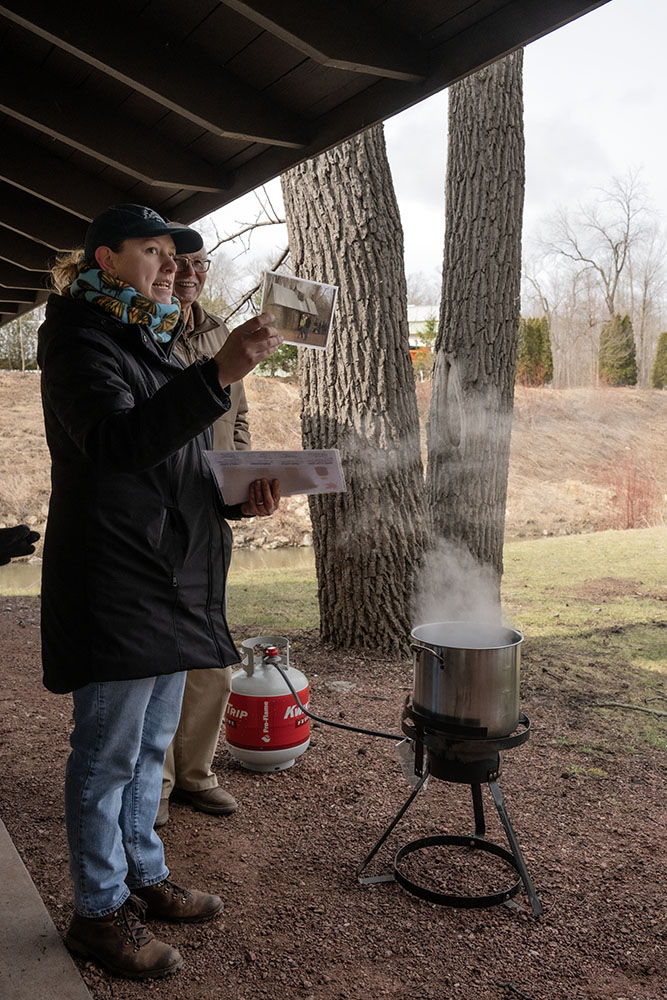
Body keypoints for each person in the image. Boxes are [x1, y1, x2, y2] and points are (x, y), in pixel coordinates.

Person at [37, 203, 282, 980]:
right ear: (106, 260)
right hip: (115, 580)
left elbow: (168, 465)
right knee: (108, 756)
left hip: (170, 580)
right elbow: (115, 446)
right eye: (154, 252)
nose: (172, 267)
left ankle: (143, 877)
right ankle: (97, 913)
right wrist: (217, 375)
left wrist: (236, 497)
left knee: (148, 749)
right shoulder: (77, 336)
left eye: (176, 258)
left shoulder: (150, 338)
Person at [157, 247, 272, 827]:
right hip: (155, 512)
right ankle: (153, 788)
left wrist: (245, 485)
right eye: (181, 260)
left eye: (202, 262)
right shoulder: (146, 329)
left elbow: (240, 418)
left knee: (210, 651)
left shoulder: (222, 335)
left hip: (209, 511)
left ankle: (195, 775)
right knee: (157, 655)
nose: (192, 272)